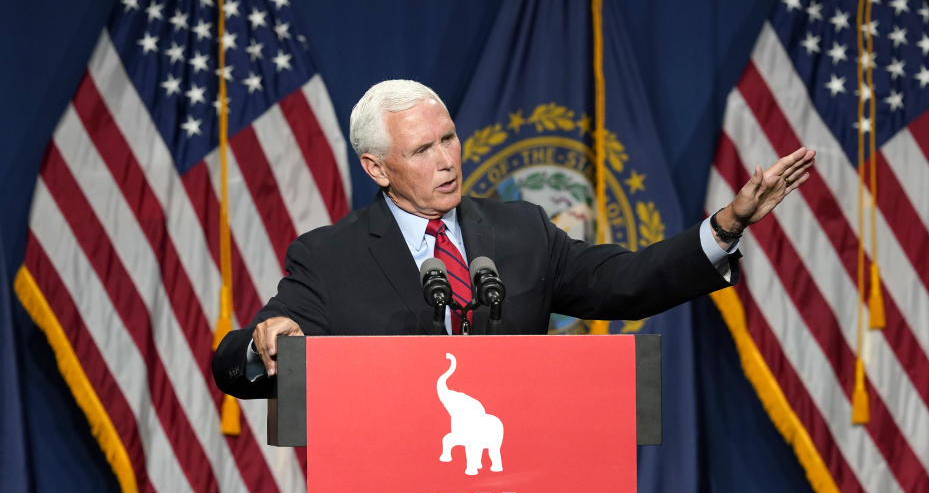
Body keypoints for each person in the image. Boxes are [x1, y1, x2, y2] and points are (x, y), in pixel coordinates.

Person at [212, 80, 815, 399]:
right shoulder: (329, 256)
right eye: (423, 150)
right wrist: (269, 340)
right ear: (376, 168)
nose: (447, 160)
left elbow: (625, 284)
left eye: (448, 138)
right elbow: (236, 359)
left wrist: (727, 225)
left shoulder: (520, 230)